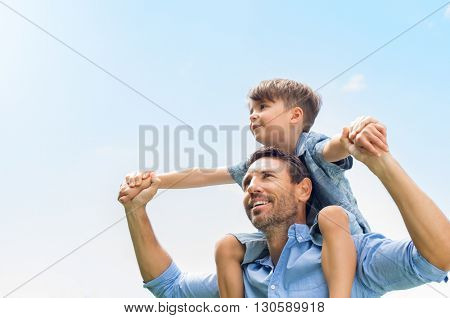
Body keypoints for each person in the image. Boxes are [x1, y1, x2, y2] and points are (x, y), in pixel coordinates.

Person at [120, 79, 388, 297]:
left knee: (331, 216)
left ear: (295, 115)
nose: (253, 115)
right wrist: (154, 180)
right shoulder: (261, 165)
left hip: (339, 236)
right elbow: (204, 175)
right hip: (292, 240)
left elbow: (334, 149)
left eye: (262, 107)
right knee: (228, 246)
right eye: (250, 110)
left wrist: (352, 136)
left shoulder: (313, 146)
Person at [117, 134, 449, 297]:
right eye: (247, 182)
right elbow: (169, 288)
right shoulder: (243, 277)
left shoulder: (350, 257)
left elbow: (438, 256)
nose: (252, 188)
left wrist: (381, 163)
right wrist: (136, 210)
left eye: (267, 177)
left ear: (304, 189)